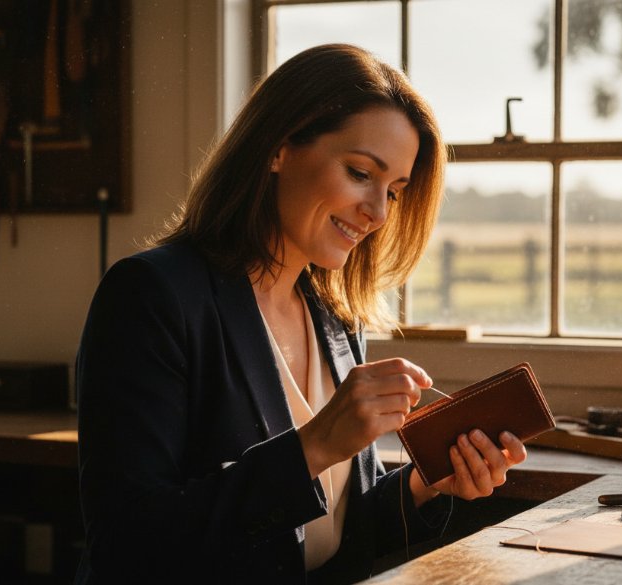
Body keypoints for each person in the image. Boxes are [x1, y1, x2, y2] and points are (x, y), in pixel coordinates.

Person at [74, 44, 528, 585]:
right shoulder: (152, 294)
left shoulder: (334, 318)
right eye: (361, 172)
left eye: (395, 192)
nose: (378, 212)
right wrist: (314, 446)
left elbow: (331, 535)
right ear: (278, 147)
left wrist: (425, 485)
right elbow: (128, 542)